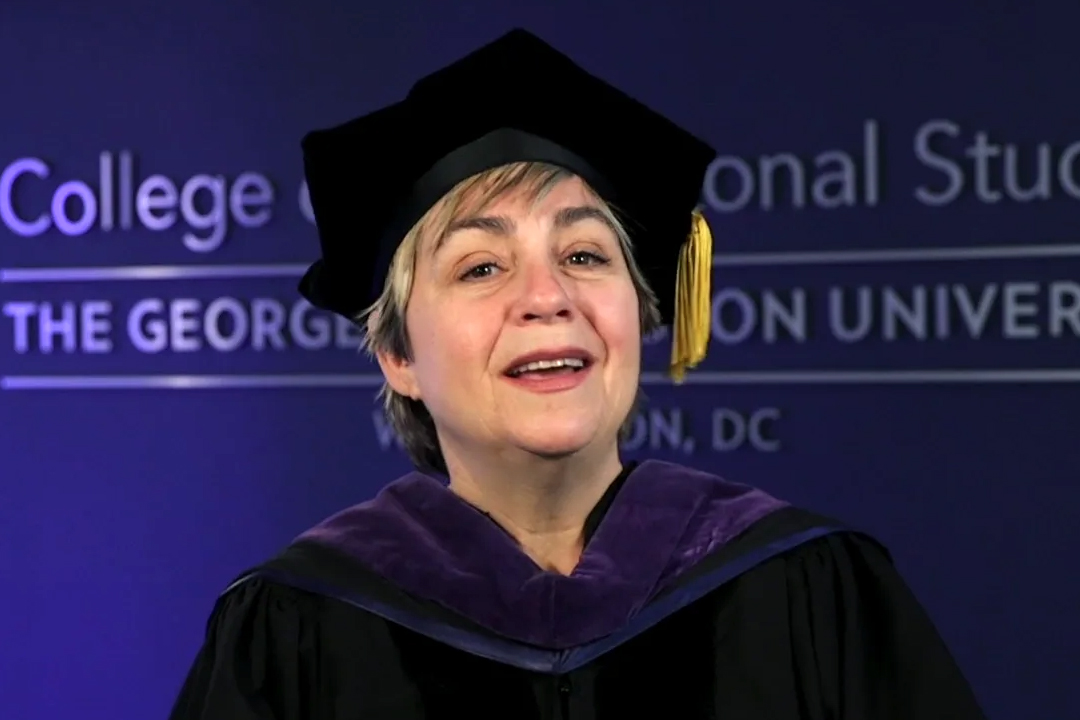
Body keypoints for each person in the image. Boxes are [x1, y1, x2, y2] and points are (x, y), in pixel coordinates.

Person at [168, 28, 987, 720]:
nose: (547, 296)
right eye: (482, 267)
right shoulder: (297, 630)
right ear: (400, 358)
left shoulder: (808, 589)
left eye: (585, 254)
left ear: (640, 312)